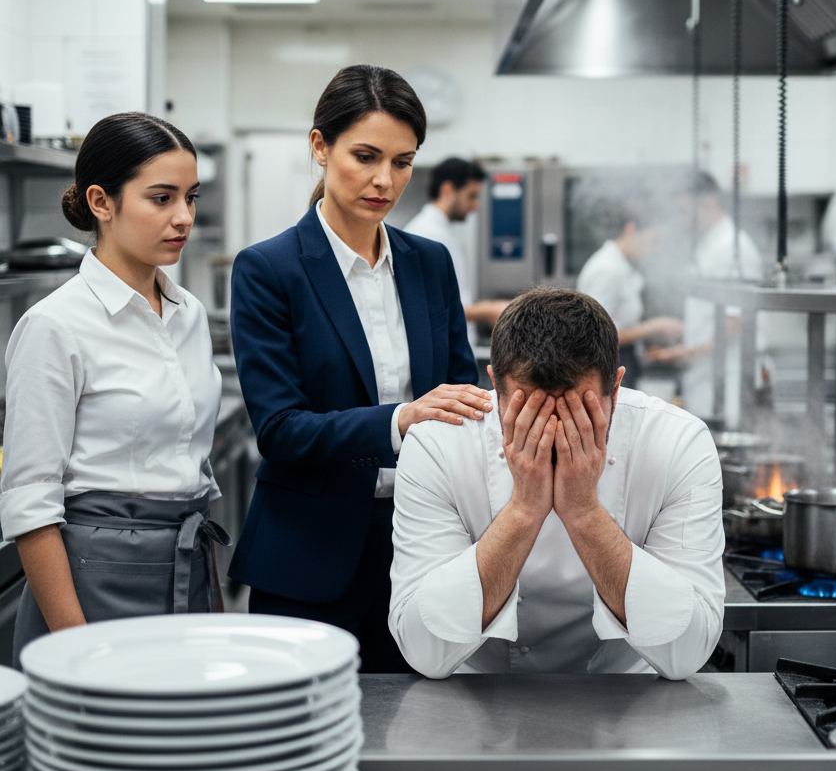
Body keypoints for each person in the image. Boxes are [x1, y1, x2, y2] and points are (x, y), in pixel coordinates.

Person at [229, 65, 489, 673]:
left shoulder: (430, 263)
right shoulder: (269, 270)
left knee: (419, 737)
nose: (384, 180)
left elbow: (461, 392)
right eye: (366, 156)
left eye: (403, 161)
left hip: (424, 547)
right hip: (308, 555)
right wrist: (401, 419)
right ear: (320, 147)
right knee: (297, 741)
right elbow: (281, 430)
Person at [389, 287, 726, 679]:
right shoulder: (438, 444)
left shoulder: (676, 443)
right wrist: (523, 510)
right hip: (476, 694)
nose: (551, 433)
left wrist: (583, 511)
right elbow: (422, 647)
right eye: (528, 412)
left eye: (577, 411)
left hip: (629, 696)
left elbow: (688, 650)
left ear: (615, 389)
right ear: (495, 387)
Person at [2, 112, 225, 666]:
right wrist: (77, 645)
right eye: (161, 198)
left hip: (183, 567)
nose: (183, 217)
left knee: (183, 744)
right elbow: (31, 503)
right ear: (102, 202)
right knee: (98, 746)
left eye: (191, 198)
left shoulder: (188, 314)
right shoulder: (55, 325)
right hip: (91, 581)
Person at [647, 174, 764, 426]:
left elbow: (733, 323)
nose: (682, 220)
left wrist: (686, 352)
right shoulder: (710, 244)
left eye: (685, 211)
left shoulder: (732, 248)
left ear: (708, 202)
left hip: (728, 381)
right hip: (705, 376)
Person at [575, 203, 684, 388]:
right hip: (606, 368)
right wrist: (655, 326)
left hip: (623, 361)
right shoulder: (606, 270)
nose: (656, 249)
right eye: (654, 241)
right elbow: (593, 335)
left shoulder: (622, 266)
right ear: (631, 229)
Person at [403, 157, 509, 343]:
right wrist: (487, 310)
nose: (475, 206)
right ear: (447, 190)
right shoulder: (426, 234)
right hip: (440, 348)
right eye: (471, 196)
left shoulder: (441, 231)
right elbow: (430, 308)